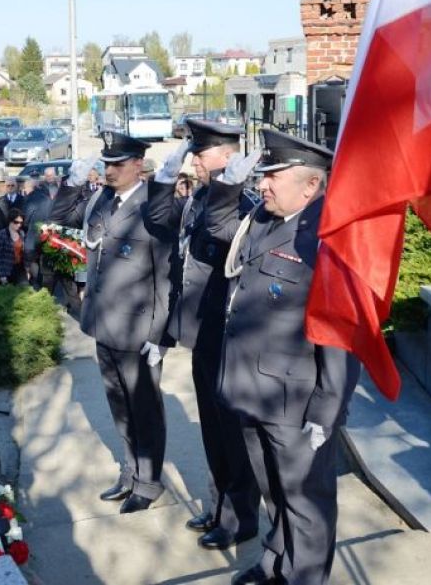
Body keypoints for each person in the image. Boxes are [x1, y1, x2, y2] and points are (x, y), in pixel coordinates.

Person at [213, 129, 359, 585]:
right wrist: (224, 187)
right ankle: (278, 563)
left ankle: (305, 577)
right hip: (252, 389)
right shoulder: (261, 220)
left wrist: (327, 410)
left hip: (295, 401)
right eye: (265, 176)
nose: (263, 184)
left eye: (274, 176)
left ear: (310, 186)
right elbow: (217, 230)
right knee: (274, 492)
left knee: (307, 504)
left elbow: (340, 330)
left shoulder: (327, 237)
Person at [147, 119, 260, 551]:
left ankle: (240, 517)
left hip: (229, 337)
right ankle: (219, 506)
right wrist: (163, 178)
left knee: (232, 432)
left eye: (202, 153)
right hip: (201, 334)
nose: (194, 159)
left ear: (227, 157)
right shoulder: (196, 198)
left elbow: (223, 239)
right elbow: (158, 219)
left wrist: (227, 189)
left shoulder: (243, 203)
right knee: (213, 431)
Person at [50, 130, 175, 514]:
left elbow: (168, 273)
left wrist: (160, 336)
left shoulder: (155, 204)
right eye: (106, 164)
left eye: (118, 164)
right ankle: (130, 472)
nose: (110, 171)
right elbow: (57, 224)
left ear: (139, 164)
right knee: (120, 406)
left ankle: (149, 482)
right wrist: (72, 185)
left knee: (144, 409)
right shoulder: (101, 201)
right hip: (104, 324)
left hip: (138, 329)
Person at [0, 210, 28, 285]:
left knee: (24, 291)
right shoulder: (1, 234)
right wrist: (2, 275)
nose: (19, 225)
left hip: (20, 269)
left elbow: (24, 253)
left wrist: (27, 270)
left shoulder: (22, 233)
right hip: (6, 270)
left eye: (21, 223)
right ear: (10, 221)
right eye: (16, 222)